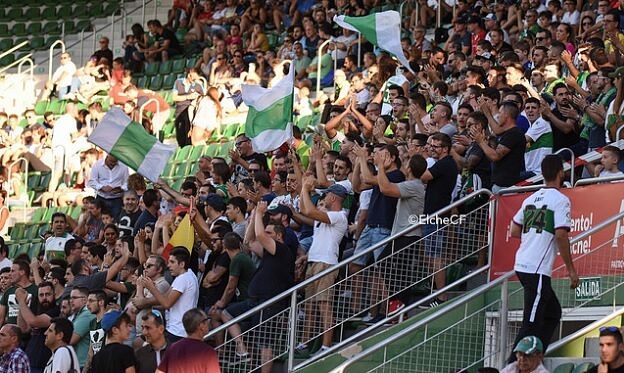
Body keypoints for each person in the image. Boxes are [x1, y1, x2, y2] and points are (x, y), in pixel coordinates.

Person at [508, 155, 579, 362]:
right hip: (536, 268)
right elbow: (561, 234)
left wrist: (534, 235)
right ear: (560, 173)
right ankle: (512, 366)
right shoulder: (560, 199)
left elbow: (514, 230)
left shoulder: (530, 198)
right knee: (530, 323)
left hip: (523, 262)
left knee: (552, 313)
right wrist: (571, 269)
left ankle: (534, 357)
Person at [297, 180, 348, 354]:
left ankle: (326, 346)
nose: (323, 197)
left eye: (325, 195)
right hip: (314, 262)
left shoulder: (340, 216)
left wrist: (304, 188)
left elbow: (309, 210)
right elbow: (305, 210)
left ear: (333, 197)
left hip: (326, 264)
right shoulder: (322, 218)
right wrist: (306, 256)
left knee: (324, 305)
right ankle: (304, 343)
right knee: (310, 306)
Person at [138, 247, 199, 344]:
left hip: (178, 331)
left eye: (172, 262)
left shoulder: (183, 279)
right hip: (177, 330)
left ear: (182, 264)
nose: (168, 265)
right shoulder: (186, 276)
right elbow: (164, 298)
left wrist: (151, 288)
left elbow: (166, 303)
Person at [156, 308, 221, 373]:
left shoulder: (173, 348)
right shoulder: (208, 352)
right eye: (207, 320)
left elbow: (159, 372)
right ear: (201, 326)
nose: (208, 322)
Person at [17, 282, 60, 373]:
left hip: (44, 363)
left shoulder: (56, 311)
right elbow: (23, 328)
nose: (44, 298)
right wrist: (22, 305)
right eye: (41, 295)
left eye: (48, 294)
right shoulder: (35, 311)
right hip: (30, 361)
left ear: (54, 295)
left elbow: (34, 322)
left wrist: (21, 301)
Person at [87, 154, 129, 219]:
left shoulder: (123, 166)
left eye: (115, 162)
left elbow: (127, 183)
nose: (112, 164)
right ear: (107, 157)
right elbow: (92, 181)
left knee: (115, 220)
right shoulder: (97, 164)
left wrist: (120, 188)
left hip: (117, 199)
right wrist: (101, 187)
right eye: (111, 161)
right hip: (101, 197)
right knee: (99, 220)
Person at [68, 286, 96, 369]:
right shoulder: (80, 314)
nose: (71, 301)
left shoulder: (87, 314)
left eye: (74, 298)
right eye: (70, 298)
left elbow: (70, 340)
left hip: (83, 365)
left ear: (84, 300)